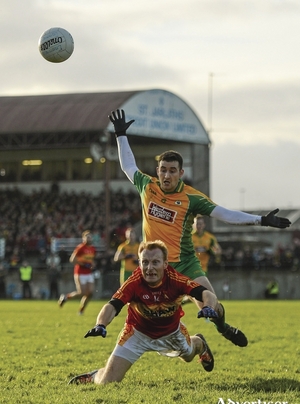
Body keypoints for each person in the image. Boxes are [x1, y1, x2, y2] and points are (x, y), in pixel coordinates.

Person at [108, 109, 291, 348]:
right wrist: (121, 135)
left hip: (185, 263)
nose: (166, 174)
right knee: (147, 315)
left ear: (181, 173)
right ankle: (186, 346)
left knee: (210, 304)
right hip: (155, 265)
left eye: (172, 170)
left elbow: (224, 214)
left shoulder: (191, 198)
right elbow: (128, 166)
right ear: (158, 171)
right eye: (163, 169)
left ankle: (224, 328)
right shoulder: (147, 186)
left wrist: (261, 220)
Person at [68, 240, 219, 385]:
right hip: (137, 334)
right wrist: (100, 324)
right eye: (145, 262)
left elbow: (207, 294)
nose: (149, 268)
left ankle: (200, 344)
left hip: (172, 333)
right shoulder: (134, 282)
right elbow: (112, 305)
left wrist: (208, 307)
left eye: (155, 262)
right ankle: (95, 375)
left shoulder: (176, 279)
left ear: (165, 264)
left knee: (188, 356)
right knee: (107, 382)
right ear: (139, 263)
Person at [58, 230, 96, 315]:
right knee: (81, 293)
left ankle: (81, 310)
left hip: (88, 273)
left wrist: (92, 264)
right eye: (87, 237)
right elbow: (72, 259)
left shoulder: (93, 249)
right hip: (80, 272)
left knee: (90, 293)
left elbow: (91, 260)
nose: (88, 239)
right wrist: (83, 264)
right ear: (83, 238)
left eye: (90, 237)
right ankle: (65, 297)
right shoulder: (80, 248)